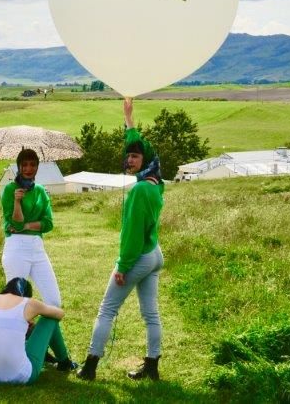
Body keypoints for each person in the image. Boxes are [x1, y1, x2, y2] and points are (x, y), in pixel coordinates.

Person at [77, 97, 165, 381]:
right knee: (150, 313)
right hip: (155, 255)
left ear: (146, 160)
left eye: (135, 157)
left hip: (138, 257)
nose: (129, 160)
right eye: (128, 156)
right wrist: (130, 122)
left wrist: (123, 267)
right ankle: (152, 366)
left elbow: (131, 237)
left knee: (107, 309)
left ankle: (90, 366)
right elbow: (143, 146)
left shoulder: (139, 192)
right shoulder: (156, 183)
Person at [0, 277, 77, 384]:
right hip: (19, 375)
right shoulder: (29, 303)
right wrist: (31, 318)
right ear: (26, 295)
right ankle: (64, 362)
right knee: (50, 319)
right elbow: (60, 314)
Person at [0, 148, 61, 308]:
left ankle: (39, 333)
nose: (28, 169)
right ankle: (18, 332)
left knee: (54, 302)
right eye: (24, 164)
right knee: (15, 302)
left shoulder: (40, 191)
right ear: (18, 167)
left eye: (33, 164)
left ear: (37, 167)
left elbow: (48, 223)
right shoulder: (10, 190)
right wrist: (17, 202)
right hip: (16, 249)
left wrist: (26, 226)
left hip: (37, 248)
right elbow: (15, 225)